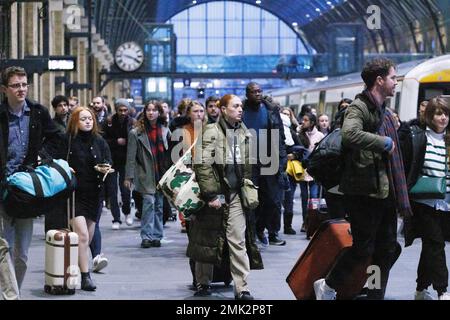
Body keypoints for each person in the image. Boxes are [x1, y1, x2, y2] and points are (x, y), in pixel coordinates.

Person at [314, 58, 411, 300]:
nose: (395, 82)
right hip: (363, 192)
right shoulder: (359, 107)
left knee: (386, 249)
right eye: (392, 78)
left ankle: (375, 295)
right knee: (362, 248)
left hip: (384, 190)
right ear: (379, 80)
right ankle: (328, 285)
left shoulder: (384, 112)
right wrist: (383, 143)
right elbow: (350, 134)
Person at [190, 94, 264, 300]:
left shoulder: (244, 133)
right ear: (223, 109)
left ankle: (242, 288)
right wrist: (210, 194)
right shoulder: (211, 131)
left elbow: (249, 166)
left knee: (237, 240)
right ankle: (203, 282)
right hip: (214, 195)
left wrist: (249, 188)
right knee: (208, 238)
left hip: (236, 195)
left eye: (241, 106)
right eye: (236, 106)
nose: (240, 109)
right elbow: (202, 164)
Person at [0, 66, 61, 299]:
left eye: (24, 84)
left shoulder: (37, 112)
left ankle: (12, 289)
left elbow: (57, 138)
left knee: (22, 255)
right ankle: (11, 296)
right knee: (2, 247)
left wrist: (42, 157)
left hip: (26, 190)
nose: (22, 89)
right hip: (3, 188)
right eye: (16, 85)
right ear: (5, 89)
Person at [49, 106, 112, 291]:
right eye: (83, 118)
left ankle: (74, 270)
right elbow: (53, 160)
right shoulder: (66, 140)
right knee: (82, 236)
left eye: (90, 119)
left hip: (95, 194)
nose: (87, 121)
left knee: (86, 239)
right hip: (74, 194)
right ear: (75, 121)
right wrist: (64, 168)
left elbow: (108, 160)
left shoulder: (99, 141)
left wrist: (106, 168)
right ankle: (86, 277)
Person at [401, 97, 450, 300]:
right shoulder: (420, 138)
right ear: (430, 116)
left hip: (446, 202)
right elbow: (409, 169)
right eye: (439, 113)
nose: (443, 118)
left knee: (431, 247)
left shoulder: (449, 139)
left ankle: (421, 289)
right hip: (424, 203)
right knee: (436, 245)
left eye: (446, 114)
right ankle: (443, 290)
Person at [242, 82, 288, 246]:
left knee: (272, 200)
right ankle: (253, 233)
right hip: (248, 163)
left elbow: (280, 137)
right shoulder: (241, 111)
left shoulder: (270, 110)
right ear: (247, 94)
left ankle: (262, 228)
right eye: (254, 91)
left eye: (260, 91)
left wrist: (282, 162)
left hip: (269, 160)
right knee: (251, 200)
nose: (258, 94)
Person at [125, 100, 171, 248]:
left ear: (159, 112)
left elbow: (169, 152)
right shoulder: (136, 133)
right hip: (145, 173)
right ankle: (146, 236)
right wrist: (129, 177)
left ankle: (157, 236)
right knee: (148, 204)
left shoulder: (165, 130)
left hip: (161, 172)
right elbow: (130, 157)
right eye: (148, 110)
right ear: (144, 112)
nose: (151, 113)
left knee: (159, 205)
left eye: (154, 110)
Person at [102, 98, 135, 230]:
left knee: (125, 189)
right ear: (116, 110)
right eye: (120, 110)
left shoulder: (132, 123)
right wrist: (116, 141)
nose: (122, 112)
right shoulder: (109, 122)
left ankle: (126, 212)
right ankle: (116, 218)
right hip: (111, 160)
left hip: (126, 161)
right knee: (112, 190)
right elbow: (103, 140)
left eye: (125, 110)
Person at [298, 113, 324, 233]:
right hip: (302, 171)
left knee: (313, 198)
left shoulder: (320, 135)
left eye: (306, 120)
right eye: (303, 120)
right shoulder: (300, 135)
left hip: (314, 172)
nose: (303, 122)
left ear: (312, 122)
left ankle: (312, 222)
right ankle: (305, 222)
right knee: (304, 198)